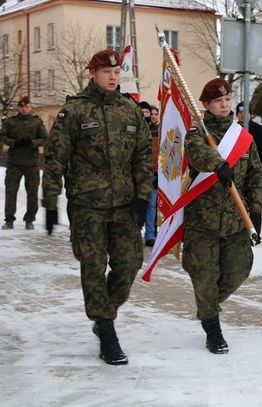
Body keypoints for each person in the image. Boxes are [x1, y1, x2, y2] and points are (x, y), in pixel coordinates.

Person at [42, 49, 153, 365]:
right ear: (92, 73)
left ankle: (103, 313)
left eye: (116, 71)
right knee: (93, 266)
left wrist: (143, 197)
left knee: (129, 264)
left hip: (124, 206)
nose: (113, 76)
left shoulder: (130, 112)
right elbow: (54, 160)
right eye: (106, 71)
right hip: (87, 206)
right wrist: (50, 202)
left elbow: (144, 157)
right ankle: (106, 331)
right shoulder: (74, 112)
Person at [182, 78, 262, 354]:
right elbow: (197, 154)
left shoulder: (242, 137)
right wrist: (219, 164)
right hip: (202, 221)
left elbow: (255, 176)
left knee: (239, 268)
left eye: (228, 99)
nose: (225, 104)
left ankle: (208, 306)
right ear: (206, 104)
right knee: (205, 274)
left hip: (234, 221)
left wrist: (257, 210)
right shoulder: (196, 132)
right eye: (218, 100)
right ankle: (212, 327)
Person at [1, 96, 47, 230]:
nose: (24, 109)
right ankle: (9, 220)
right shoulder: (11, 122)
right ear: (18, 107)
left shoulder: (36, 122)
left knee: (32, 193)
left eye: (27, 106)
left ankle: (29, 220)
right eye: (22, 107)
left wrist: (32, 143)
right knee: (11, 192)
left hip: (31, 163)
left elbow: (44, 138)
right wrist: (14, 143)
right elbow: (2, 136)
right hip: (14, 162)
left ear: (30, 107)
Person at [236, 101, 262, 176]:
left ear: (250, 114)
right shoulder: (232, 130)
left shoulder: (259, 129)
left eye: (246, 112)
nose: (243, 115)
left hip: (254, 173)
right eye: (240, 112)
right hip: (237, 174)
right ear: (237, 115)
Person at [142, 103, 159, 247]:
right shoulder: (143, 130)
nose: (153, 116)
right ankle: (148, 232)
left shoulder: (161, 131)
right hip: (143, 173)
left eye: (155, 114)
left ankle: (151, 233)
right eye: (150, 113)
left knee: (153, 206)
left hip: (156, 173)